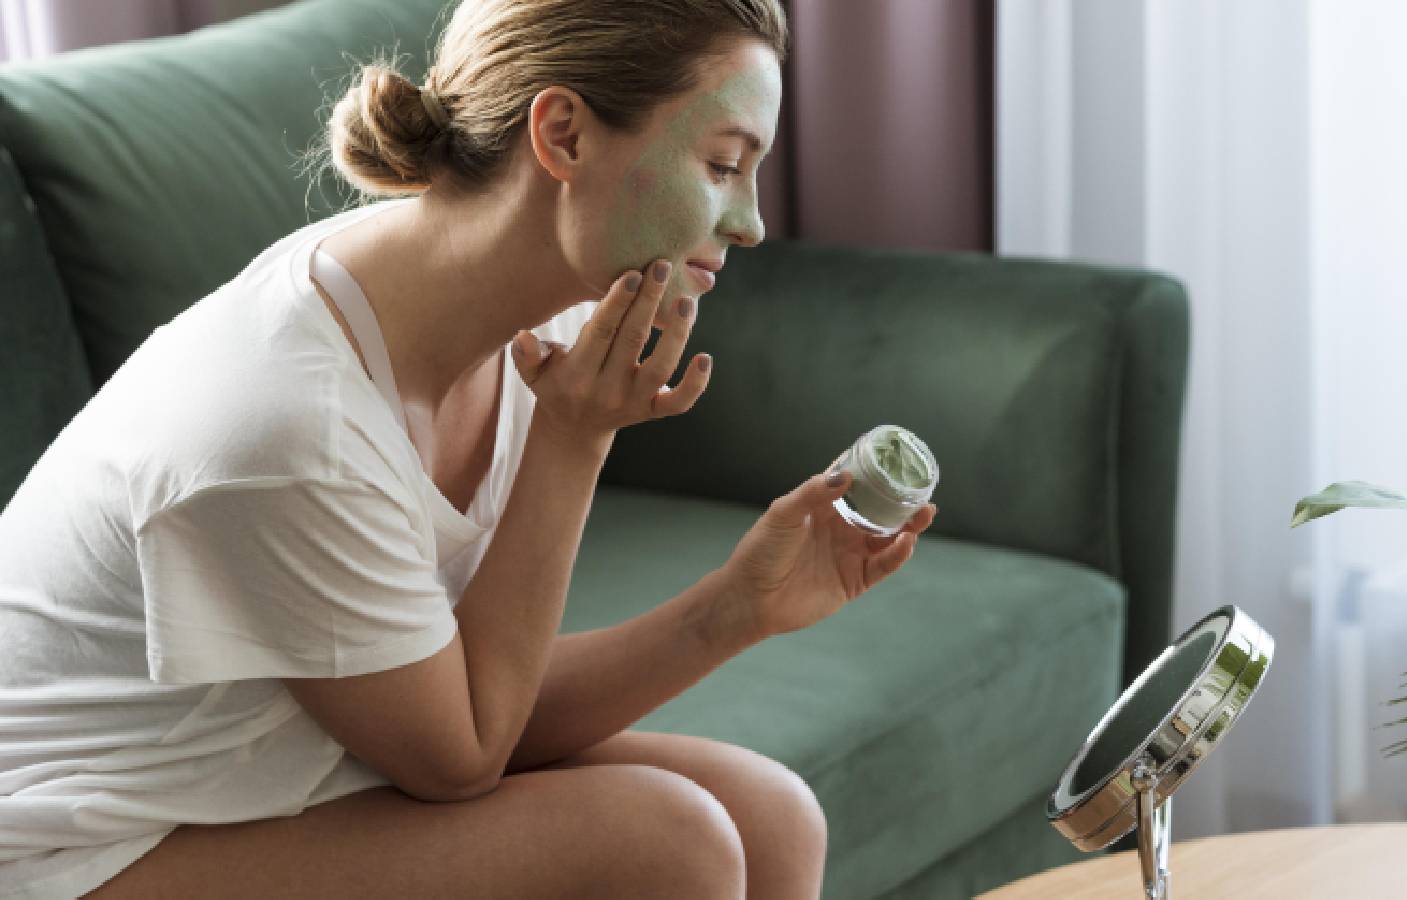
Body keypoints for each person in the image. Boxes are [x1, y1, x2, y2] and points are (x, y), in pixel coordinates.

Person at [0, 0, 938, 897]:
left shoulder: (540, 306)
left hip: (260, 768)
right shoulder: (294, 429)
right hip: (77, 846)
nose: (753, 222)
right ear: (562, 135)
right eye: (723, 165)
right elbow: (460, 758)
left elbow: (460, 700)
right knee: (663, 843)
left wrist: (743, 606)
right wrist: (573, 441)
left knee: (774, 817)